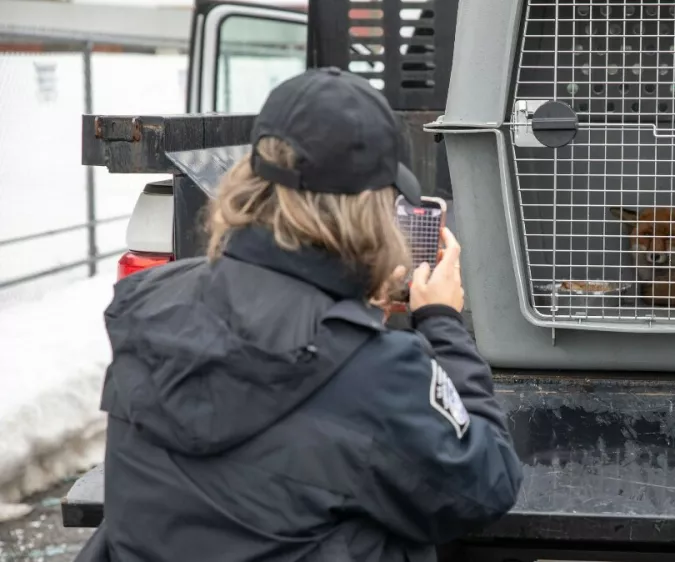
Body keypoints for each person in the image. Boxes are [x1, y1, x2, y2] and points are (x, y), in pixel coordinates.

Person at [75, 67, 523, 562]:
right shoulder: (375, 371)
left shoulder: (148, 302)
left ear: (249, 180)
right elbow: (487, 482)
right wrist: (440, 321)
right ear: (372, 213)